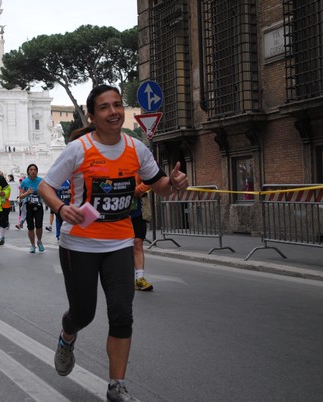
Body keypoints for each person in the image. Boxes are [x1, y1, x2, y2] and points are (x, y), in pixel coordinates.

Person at [38, 84, 189, 402]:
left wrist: (172, 184)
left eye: (118, 105)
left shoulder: (137, 149)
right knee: (84, 313)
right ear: (92, 115)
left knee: (122, 313)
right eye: (105, 107)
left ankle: (116, 385)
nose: (114, 111)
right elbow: (46, 187)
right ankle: (67, 336)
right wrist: (62, 207)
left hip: (119, 242)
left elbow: (158, 185)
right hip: (79, 244)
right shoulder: (79, 149)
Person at [131, 179, 154, 292]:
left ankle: (139, 278)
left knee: (138, 243)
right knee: (121, 246)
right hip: (119, 212)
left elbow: (150, 180)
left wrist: (138, 189)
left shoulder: (139, 164)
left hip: (137, 211)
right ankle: (124, 278)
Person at [19, 164, 45, 253]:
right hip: (28, 206)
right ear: (28, 171)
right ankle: (32, 245)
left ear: (37, 171)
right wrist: (27, 193)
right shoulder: (24, 182)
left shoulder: (41, 181)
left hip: (38, 205)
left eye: (34, 169)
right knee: (30, 227)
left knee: (39, 225)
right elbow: (20, 196)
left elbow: (46, 192)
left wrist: (41, 193)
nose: (33, 171)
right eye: (31, 169)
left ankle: (39, 241)